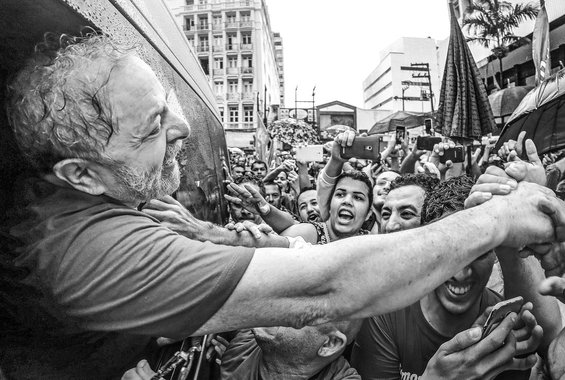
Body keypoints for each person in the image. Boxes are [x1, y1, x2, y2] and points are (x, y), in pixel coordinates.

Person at [1, 33, 563, 379]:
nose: (180, 129)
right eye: (151, 126)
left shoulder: (103, 199)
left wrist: (207, 236)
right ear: (82, 175)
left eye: (169, 105)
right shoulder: (91, 252)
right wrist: (493, 220)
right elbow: (324, 285)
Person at [352, 175, 561, 379]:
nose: (461, 274)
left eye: (478, 253)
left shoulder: (506, 331)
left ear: (495, 254)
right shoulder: (384, 314)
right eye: (446, 253)